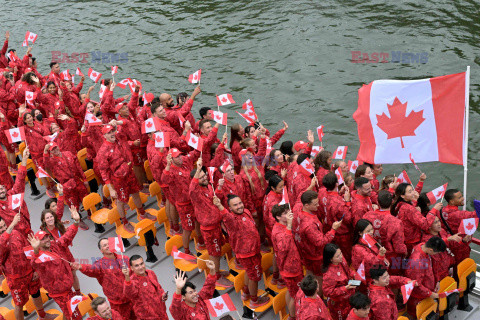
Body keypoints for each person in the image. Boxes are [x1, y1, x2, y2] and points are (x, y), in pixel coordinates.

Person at [213, 195, 270, 308]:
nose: (239, 206)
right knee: (254, 278)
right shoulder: (231, 220)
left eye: (240, 203)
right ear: (229, 208)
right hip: (247, 255)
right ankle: (254, 300)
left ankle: (246, 292)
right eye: (235, 205)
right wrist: (219, 205)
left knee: (249, 274)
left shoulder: (246, 212)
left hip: (254, 251)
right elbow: (227, 217)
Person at [28, 207, 83, 320]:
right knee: (75, 316)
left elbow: (67, 236)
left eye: (47, 237)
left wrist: (76, 222)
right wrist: (35, 250)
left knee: (68, 314)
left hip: (67, 288)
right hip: (60, 293)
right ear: (38, 243)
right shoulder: (40, 256)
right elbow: (34, 263)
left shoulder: (55, 245)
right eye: (43, 239)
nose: (47, 240)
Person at [0, 213, 56, 320]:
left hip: (30, 272)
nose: (3, 229)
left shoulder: (16, 233)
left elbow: (28, 249)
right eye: (0, 228)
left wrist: (35, 269)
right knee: (19, 304)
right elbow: (2, 243)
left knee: (36, 293)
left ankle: (42, 316)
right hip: (16, 280)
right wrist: (12, 224)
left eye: (4, 226)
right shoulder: (2, 240)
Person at [96, 124, 151, 234]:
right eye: (109, 132)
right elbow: (103, 171)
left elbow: (122, 129)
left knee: (136, 192)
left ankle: (142, 212)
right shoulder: (103, 151)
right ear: (104, 135)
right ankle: (125, 222)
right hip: (118, 179)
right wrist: (110, 189)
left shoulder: (119, 139)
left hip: (129, 172)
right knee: (121, 201)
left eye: (112, 131)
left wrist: (116, 123)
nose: (112, 134)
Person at [189, 158, 232, 287]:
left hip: (217, 225)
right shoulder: (195, 192)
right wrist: (198, 169)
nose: (205, 178)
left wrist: (218, 188)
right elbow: (192, 187)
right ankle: (216, 276)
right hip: (209, 229)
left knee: (217, 251)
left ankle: (217, 272)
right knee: (215, 254)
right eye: (201, 177)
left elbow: (215, 199)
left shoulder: (208, 186)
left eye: (204, 175)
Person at [293, 190, 341, 296]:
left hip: (305, 252)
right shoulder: (309, 225)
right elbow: (320, 242)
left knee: (310, 273)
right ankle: (318, 297)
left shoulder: (297, 208)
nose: (318, 205)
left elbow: (299, 196)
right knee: (319, 278)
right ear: (306, 204)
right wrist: (333, 230)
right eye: (315, 204)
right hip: (315, 255)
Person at [72, 238, 133, 319]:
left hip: (133, 299)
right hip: (118, 304)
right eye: (104, 245)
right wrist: (81, 267)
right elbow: (91, 269)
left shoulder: (124, 258)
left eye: (108, 244)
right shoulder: (100, 265)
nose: (107, 246)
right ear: (101, 250)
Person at [162, 147, 203, 254]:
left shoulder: (184, 161)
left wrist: (198, 141)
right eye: (177, 157)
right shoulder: (170, 171)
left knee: (199, 221)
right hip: (184, 205)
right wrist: (167, 165)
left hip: (193, 200)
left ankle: (201, 242)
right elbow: (164, 180)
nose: (180, 158)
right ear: (172, 159)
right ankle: (186, 251)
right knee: (188, 228)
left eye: (180, 155)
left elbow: (195, 153)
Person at [43, 142, 89, 230]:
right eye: (52, 150)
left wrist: (84, 179)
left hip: (77, 180)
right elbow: (46, 163)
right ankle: (78, 219)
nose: (55, 150)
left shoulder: (68, 153)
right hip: (66, 185)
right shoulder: (52, 161)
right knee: (73, 204)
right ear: (51, 152)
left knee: (85, 196)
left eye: (56, 148)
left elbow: (78, 166)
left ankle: (90, 212)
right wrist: (45, 151)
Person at [271, 204, 303, 318]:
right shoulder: (279, 231)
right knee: (297, 295)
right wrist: (289, 226)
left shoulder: (281, 226)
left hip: (290, 266)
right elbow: (283, 248)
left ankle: (291, 314)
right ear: (278, 217)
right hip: (290, 269)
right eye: (285, 213)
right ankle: (293, 316)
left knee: (291, 292)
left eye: (288, 211)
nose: (289, 214)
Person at [363, 191, 406, 274]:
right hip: (390, 257)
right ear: (392, 202)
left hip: (371, 253)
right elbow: (399, 247)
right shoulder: (396, 222)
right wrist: (405, 252)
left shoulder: (367, 215)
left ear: (378, 202)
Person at [40, 206, 81, 296]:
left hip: (66, 253)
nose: (50, 219)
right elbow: (62, 240)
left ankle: (78, 293)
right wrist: (76, 223)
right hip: (57, 259)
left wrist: (67, 226)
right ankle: (70, 294)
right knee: (65, 278)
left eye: (51, 216)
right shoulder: (44, 235)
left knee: (73, 274)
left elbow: (65, 233)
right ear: (44, 220)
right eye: (47, 218)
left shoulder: (58, 225)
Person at [391, 183, 440, 253]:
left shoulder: (398, 204)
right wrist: (434, 210)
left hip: (405, 238)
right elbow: (425, 224)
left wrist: (415, 201)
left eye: (412, 190)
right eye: (409, 192)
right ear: (402, 195)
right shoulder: (409, 209)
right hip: (412, 241)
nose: (413, 193)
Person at [404, 237, 444, 314]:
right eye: (437, 253)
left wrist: (437, 280)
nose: (436, 255)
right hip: (418, 296)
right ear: (431, 250)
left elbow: (433, 265)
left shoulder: (422, 246)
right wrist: (430, 294)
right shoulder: (417, 262)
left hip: (427, 290)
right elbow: (416, 284)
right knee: (417, 314)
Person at [123, 254, 168, 319]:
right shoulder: (133, 281)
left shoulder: (151, 273)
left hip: (162, 313)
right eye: (136, 266)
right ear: (132, 268)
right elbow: (129, 293)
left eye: (141, 264)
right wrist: (127, 277)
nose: (140, 267)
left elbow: (158, 288)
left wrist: (163, 295)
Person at [0, 148, 33, 237]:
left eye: (2, 188)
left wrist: (24, 159)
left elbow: (20, 179)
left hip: (28, 230)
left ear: (5, 188)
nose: (1, 191)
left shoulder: (13, 194)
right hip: (15, 238)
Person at [421, 216, 462, 283]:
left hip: (446, 268)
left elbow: (451, 244)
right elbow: (436, 246)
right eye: (435, 222)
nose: (439, 224)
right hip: (436, 273)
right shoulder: (426, 239)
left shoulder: (442, 231)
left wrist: (463, 240)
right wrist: (448, 239)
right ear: (429, 226)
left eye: (439, 221)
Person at [323, 172, 353, 263]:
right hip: (342, 234)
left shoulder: (322, 194)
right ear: (337, 184)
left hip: (330, 229)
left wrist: (339, 193)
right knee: (344, 257)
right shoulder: (339, 203)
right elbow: (348, 219)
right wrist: (347, 202)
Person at [322, 243, 357, 320]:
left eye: (341, 253)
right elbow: (327, 292)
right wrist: (345, 288)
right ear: (330, 259)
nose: (341, 256)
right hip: (339, 304)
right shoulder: (329, 274)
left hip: (349, 297)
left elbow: (348, 270)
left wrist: (355, 275)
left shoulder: (341, 260)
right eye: (337, 256)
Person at [351, 219, 388, 286]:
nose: (371, 232)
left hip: (375, 272)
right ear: (360, 233)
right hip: (367, 278)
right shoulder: (358, 248)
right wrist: (381, 255)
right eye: (368, 231)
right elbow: (373, 262)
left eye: (372, 229)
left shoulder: (370, 239)